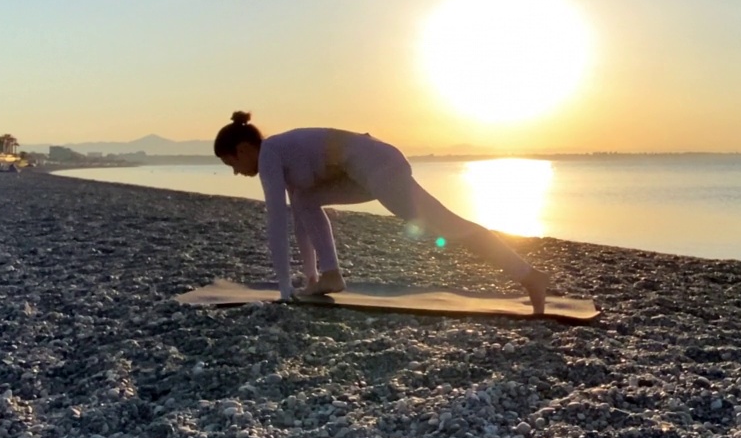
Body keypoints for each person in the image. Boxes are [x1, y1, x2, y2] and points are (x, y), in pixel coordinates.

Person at [214, 111, 550, 314]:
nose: (234, 171)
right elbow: (299, 218)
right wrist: (309, 279)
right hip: (364, 169)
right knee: (304, 199)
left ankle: (528, 274)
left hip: (376, 166)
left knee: (445, 225)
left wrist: (284, 291)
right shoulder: (281, 157)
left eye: (232, 163)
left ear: (244, 149)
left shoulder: (270, 152)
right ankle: (329, 276)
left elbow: (275, 219)